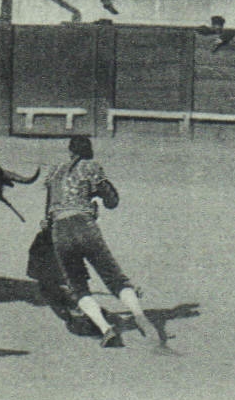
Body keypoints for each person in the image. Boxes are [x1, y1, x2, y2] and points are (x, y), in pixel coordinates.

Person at [40, 135, 159, 348]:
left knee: (77, 286)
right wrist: (95, 199)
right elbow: (112, 200)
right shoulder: (91, 167)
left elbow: (47, 215)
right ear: (89, 151)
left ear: (70, 151)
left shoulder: (55, 171)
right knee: (114, 278)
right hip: (84, 226)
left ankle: (105, 329)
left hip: (60, 230)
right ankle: (141, 318)